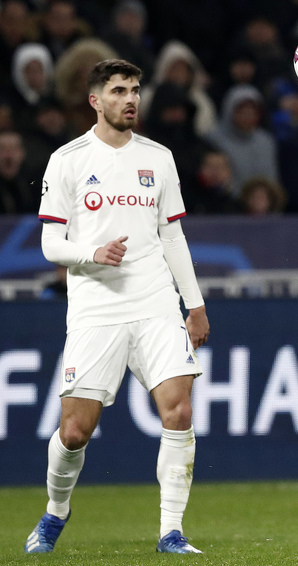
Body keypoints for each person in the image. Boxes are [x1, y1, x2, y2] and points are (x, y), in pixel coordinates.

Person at [26, 59, 209, 555]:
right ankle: (55, 512)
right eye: (119, 91)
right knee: (74, 431)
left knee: (178, 411)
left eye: (135, 89)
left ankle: (171, 531)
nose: (131, 98)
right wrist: (92, 254)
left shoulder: (159, 158)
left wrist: (194, 305)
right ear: (95, 101)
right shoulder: (67, 159)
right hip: (95, 309)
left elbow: (172, 235)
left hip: (154, 303)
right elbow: (49, 244)